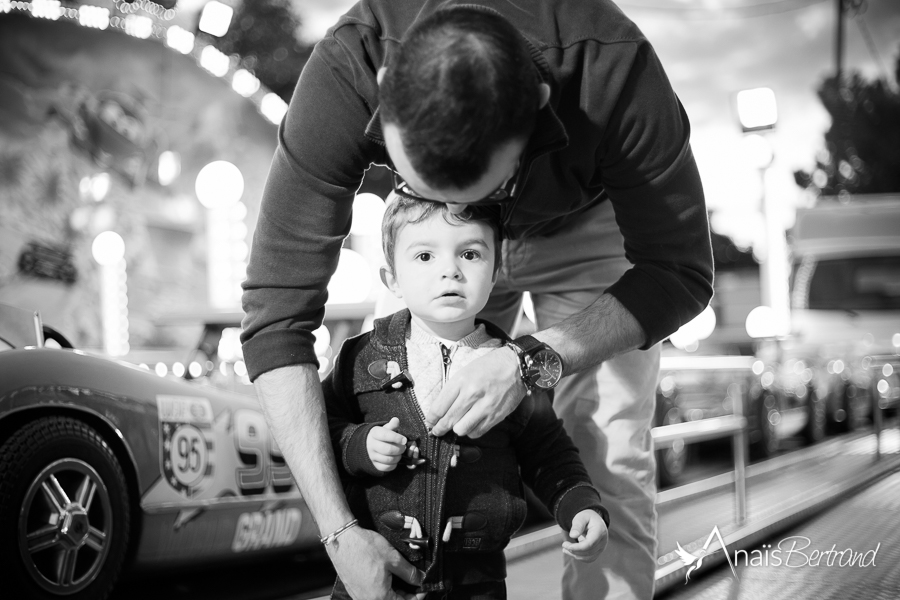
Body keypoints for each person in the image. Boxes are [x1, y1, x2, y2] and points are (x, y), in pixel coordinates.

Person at [241, 2, 713, 599]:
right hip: (443, 239)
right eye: (420, 184)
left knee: (604, 462)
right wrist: (339, 533)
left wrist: (527, 359)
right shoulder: (348, 69)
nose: (459, 264)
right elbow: (275, 321)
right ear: (387, 93)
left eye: (479, 190)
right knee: (438, 418)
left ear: (538, 106)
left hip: (584, 221)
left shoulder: (614, 72)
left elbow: (680, 271)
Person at [323, 197, 609, 599]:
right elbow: (325, 431)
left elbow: (548, 451)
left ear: (495, 275)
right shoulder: (360, 357)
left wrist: (580, 506)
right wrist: (358, 446)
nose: (449, 270)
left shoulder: (512, 372)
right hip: (379, 577)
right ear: (392, 279)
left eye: (470, 253)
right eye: (424, 255)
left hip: (478, 582)